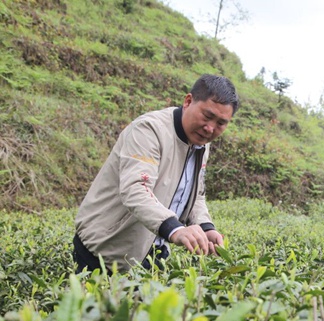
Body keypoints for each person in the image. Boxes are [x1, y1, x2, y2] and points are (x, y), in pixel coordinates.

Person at [73, 74, 238, 273]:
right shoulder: (149, 130)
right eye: (207, 115)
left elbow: (194, 194)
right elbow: (136, 189)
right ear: (188, 101)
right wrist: (176, 229)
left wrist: (206, 227)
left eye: (221, 123)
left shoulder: (202, 143)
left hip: (152, 252)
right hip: (104, 251)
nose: (210, 128)